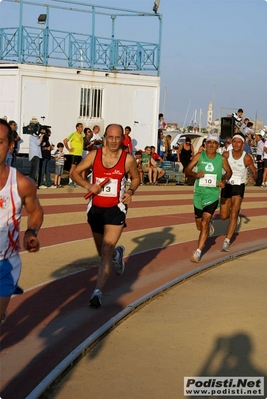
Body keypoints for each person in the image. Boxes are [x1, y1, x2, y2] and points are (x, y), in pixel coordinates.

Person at [71, 124, 140, 308]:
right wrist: (88, 186)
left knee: (105, 252)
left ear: (122, 139)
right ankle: (118, 254)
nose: (114, 141)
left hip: (116, 209)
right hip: (95, 209)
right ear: (105, 137)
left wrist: (130, 191)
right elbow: (75, 173)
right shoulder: (95, 155)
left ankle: (97, 292)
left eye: (117, 138)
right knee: (102, 251)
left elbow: (136, 178)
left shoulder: (128, 159)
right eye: (110, 137)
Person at [0, 118, 44, 324]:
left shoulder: (22, 184)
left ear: (10, 147)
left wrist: (31, 233)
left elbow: (35, 212)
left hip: (5, 262)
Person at [185, 134, 232, 263]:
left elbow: (229, 172)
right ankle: (208, 224)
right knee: (199, 225)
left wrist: (224, 180)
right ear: (205, 144)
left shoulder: (221, 159)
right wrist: (195, 174)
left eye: (214, 143)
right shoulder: (199, 156)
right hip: (198, 193)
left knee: (205, 221)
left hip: (212, 194)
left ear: (218, 146)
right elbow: (187, 170)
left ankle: (198, 252)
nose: (211, 145)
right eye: (209, 142)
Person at [220, 132, 257, 252]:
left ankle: (226, 241)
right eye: (234, 141)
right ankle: (234, 215)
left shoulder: (247, 157)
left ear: (243, 144)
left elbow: (254, 171)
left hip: (239, 185)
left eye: (238, 142)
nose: (236, 144)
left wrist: (253, 178)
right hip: (227, 185)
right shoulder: (225, 154)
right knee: (224, 216)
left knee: (234, 212)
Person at [63, 122, 84, 187]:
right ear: (77, 127)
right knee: (73, 167)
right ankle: (70, 181)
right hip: (74, 153)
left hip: (79, 153)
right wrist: (68, 148)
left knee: (77, 168)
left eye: (82, 127)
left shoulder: (82, 135)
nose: (82, 128)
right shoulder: (73, 134)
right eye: (80, 127)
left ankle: (75, 180)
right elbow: (65, 140)